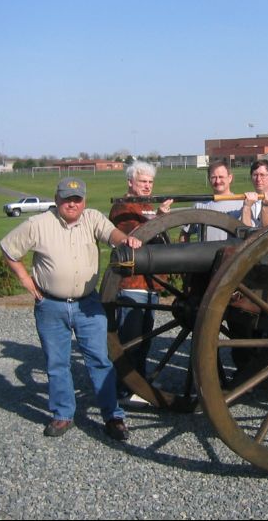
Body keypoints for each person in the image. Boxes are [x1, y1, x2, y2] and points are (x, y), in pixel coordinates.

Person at [0, 177, 141, 441]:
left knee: (100, 361)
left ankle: (113, 416)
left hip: (88, 305)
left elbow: (112, 234)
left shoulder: (92, 218)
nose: (72, 204)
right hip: (50, 305)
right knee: (57, 363)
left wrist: (126, 241)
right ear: (57, 199)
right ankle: (63, 415)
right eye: (67, 198)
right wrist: (25, 280)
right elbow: (8, 248)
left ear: (84, 201)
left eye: (77, 199)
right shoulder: (38, 224)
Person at [108, 161, 173, 405]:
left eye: (150, 182)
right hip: (131, 281)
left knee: (145, 337)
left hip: (150, 282)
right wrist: (157, 218)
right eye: (142, 181)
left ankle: (141, 381)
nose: (147, 186)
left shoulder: (146, 206)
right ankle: (124, 390)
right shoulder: (121, 207)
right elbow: (133, 236)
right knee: (131, 338)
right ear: (130, 183)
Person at [179, 160, 243, 242]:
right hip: (205, 254)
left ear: (230, 178)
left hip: (231, 254)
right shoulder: (199, 205)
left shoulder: (241, 204)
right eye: (214, 177)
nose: (217, 181)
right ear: (209, 179)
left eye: (221, 177)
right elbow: (185, 233)